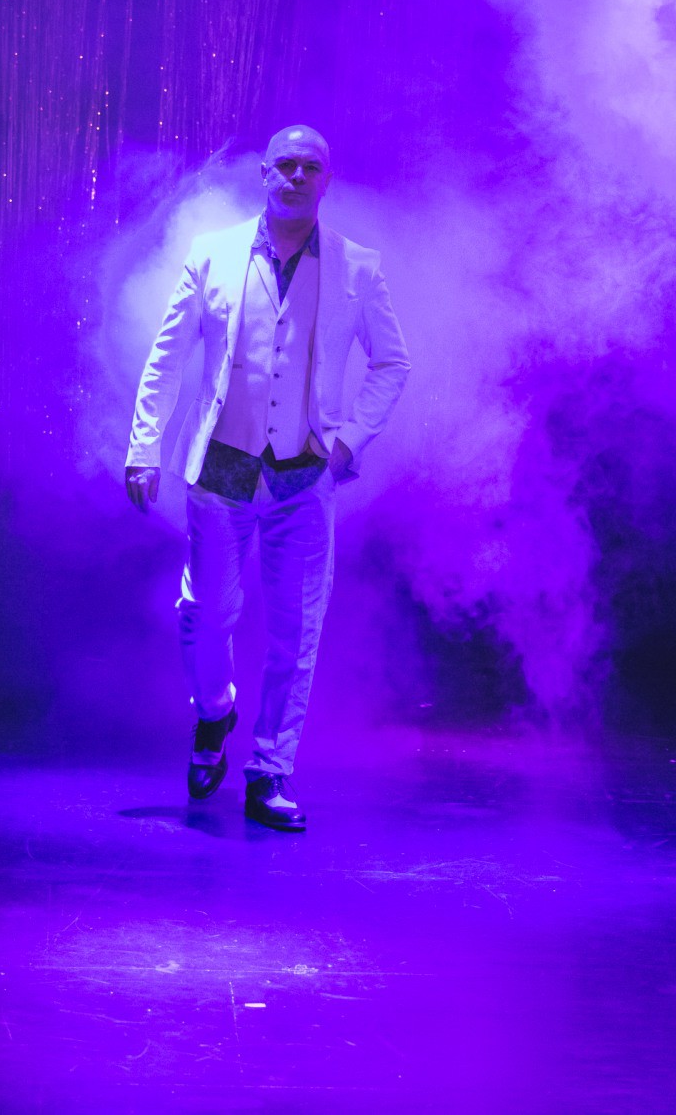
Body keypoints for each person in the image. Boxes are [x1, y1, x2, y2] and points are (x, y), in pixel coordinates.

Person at [124, 126, 410, 832]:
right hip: (221, 470)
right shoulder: (212, 254)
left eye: (311, 167)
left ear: (327, 180)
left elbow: (392, 363)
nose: (296, 176)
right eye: (285, 165)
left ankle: (270, 771)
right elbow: (168, 354)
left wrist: (348, 442)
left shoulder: (356, 267)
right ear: (263, 174)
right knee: (205, 615)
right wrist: (143, 445)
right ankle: (215, 712)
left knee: (296, 631)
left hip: (303, 479)